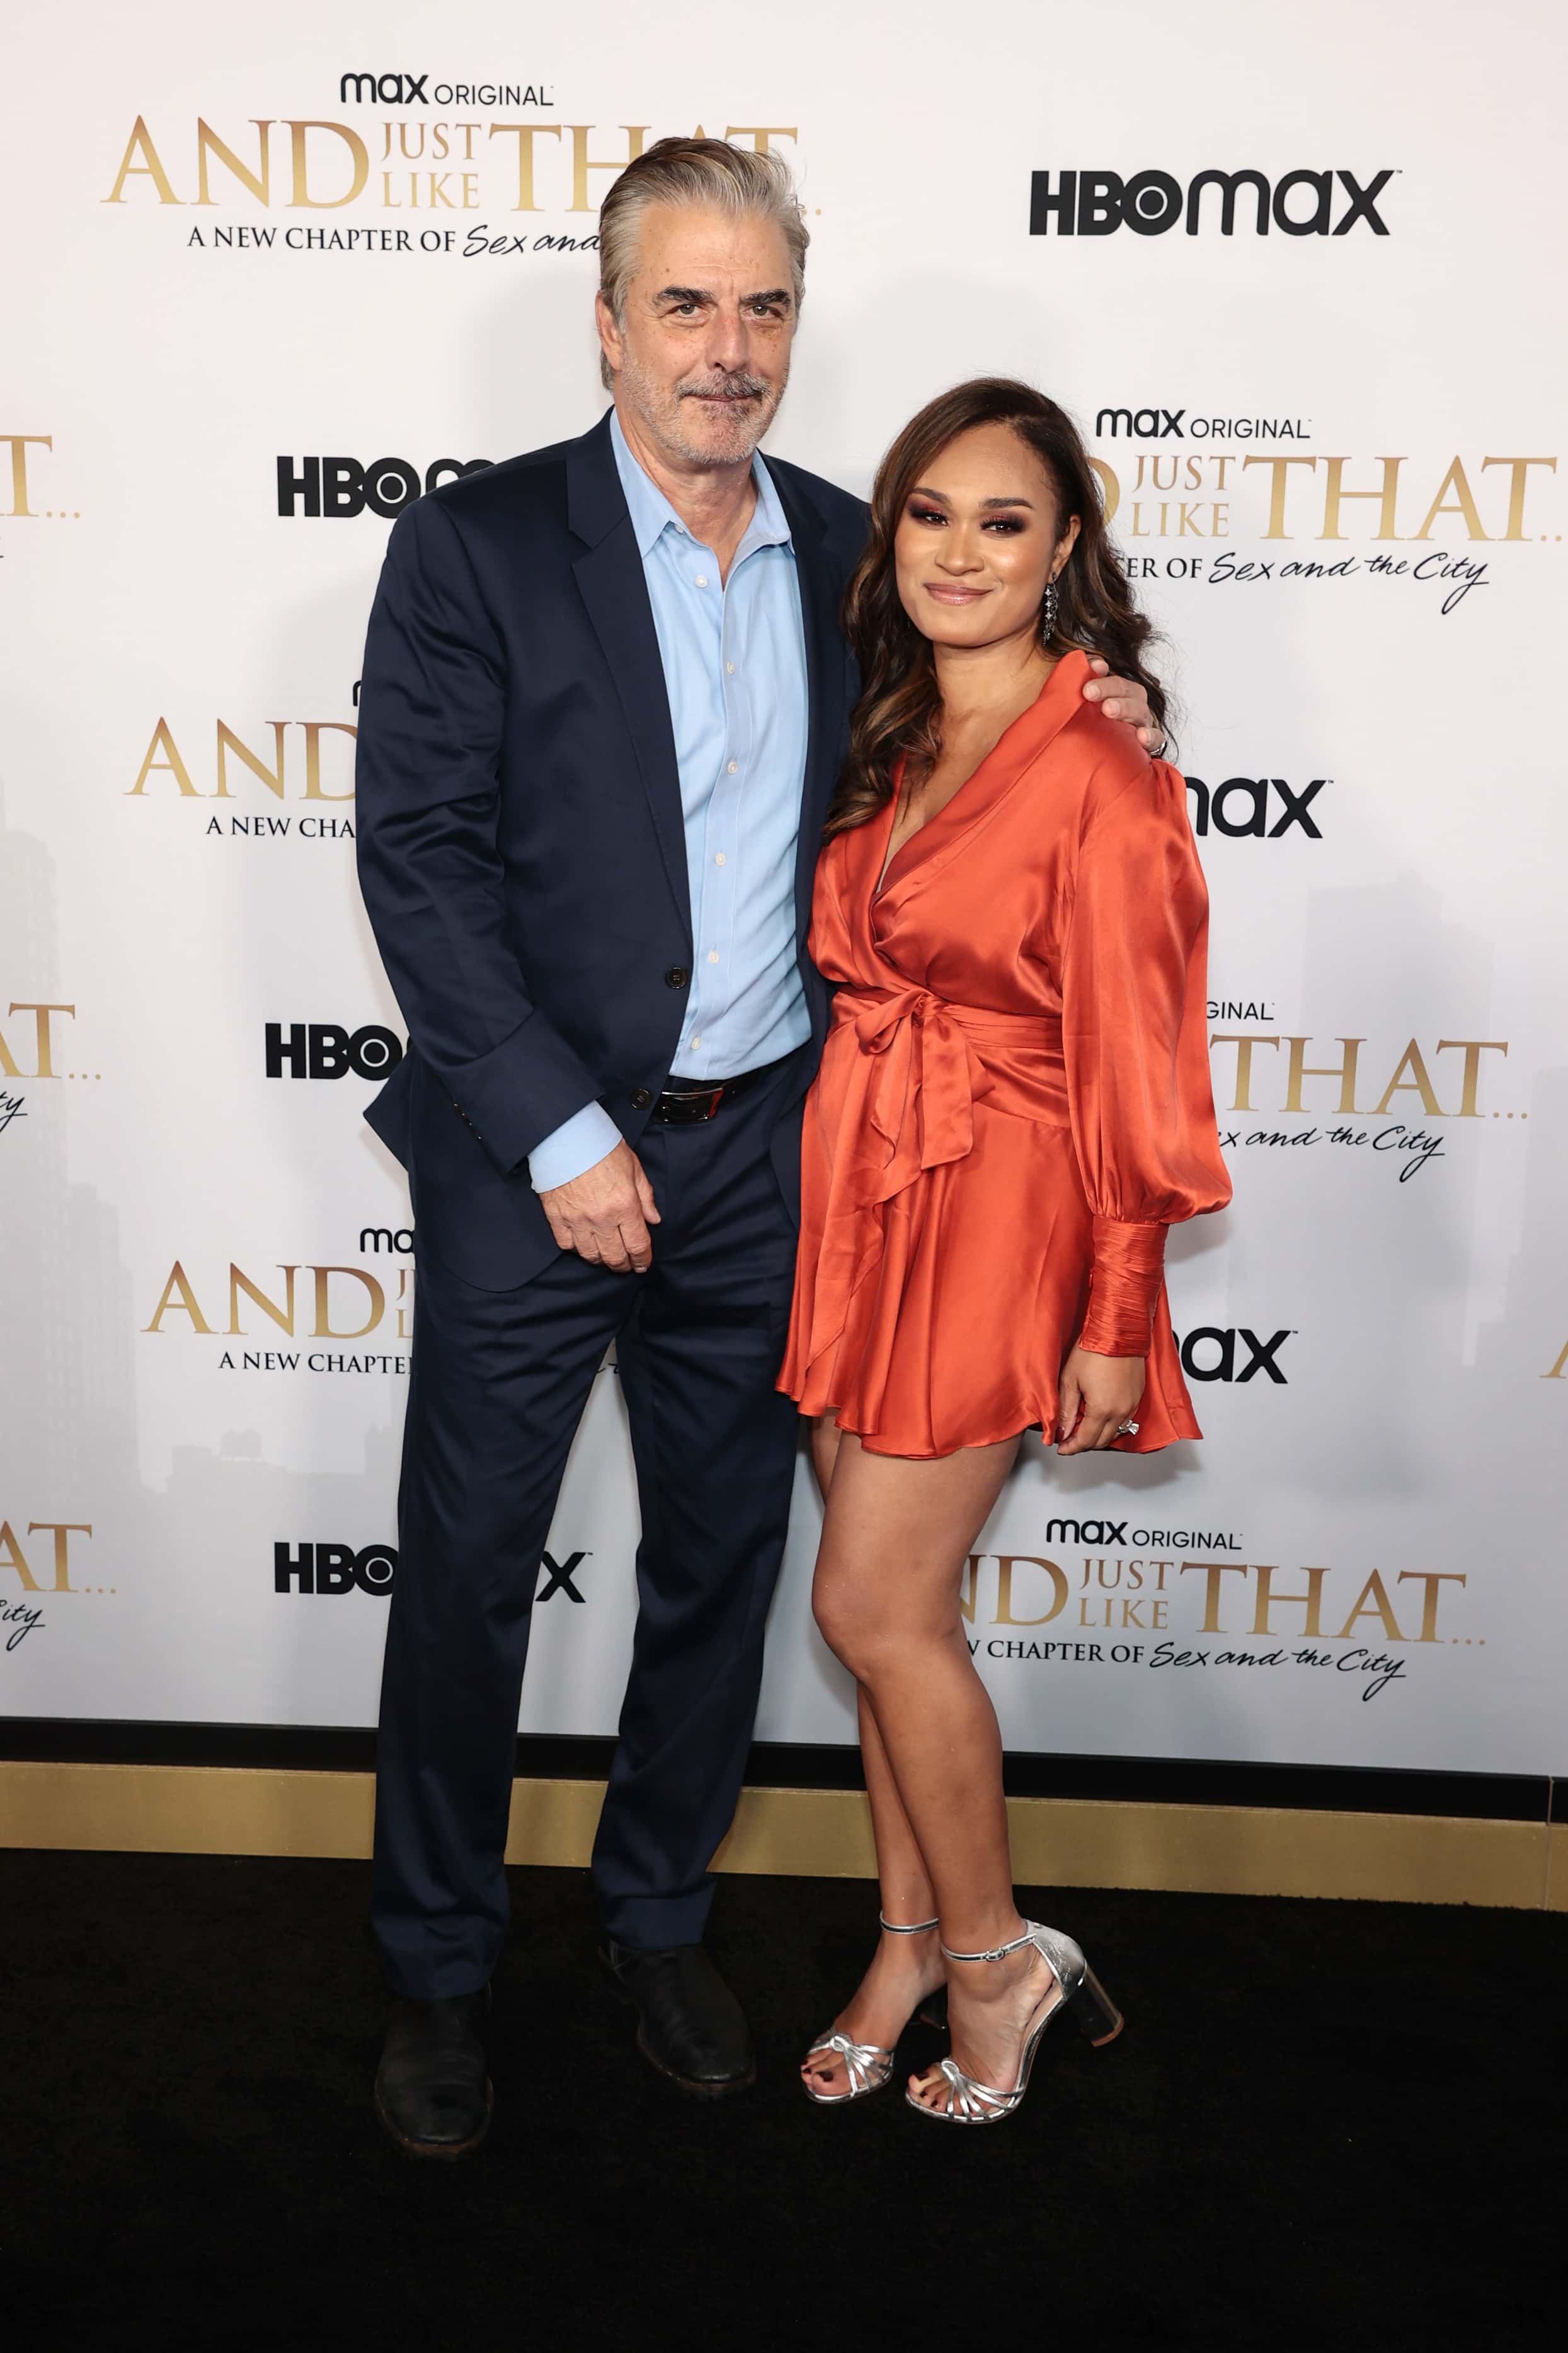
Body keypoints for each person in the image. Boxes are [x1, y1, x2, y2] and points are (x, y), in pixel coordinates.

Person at [354, 141, 1164, 2157]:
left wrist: (1110, 715)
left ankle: (657, 1922)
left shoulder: (850, 547)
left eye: (764, 307)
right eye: (686, 305)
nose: (727, 349)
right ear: (608, 325)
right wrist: (558, 1133)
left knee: (719, 1569)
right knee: (466, 1574)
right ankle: (438, 1968)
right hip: (532, 1156)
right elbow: (420, 859)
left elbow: (984, 744)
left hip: (774, 1160)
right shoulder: (475, 544)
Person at [780, 377, 1232, 2124]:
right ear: (888, 530)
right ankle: (906, 1942)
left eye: (1004, 522)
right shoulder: (887, 726)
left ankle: (997, 1960)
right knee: (897, 1618)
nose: (958, 552)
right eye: (929, 514)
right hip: (865, 1190)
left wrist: (1118, 1307)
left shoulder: (1102, 767)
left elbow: (1141, 1061)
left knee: (868, 1603)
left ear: (1064, 553)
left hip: (1003, 1205)